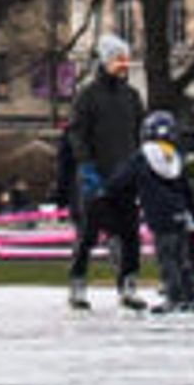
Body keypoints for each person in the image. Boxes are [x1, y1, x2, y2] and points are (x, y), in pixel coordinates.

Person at [61, 37, 149, 310]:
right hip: (96, 174)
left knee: (130, 233)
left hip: (125, 176)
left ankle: (128, 283)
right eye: (117, 59)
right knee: (88, 232)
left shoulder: (131, 97)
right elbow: (76, 133)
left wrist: (140, 163)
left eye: (125, 59)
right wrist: (86, 165)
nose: (123, 65)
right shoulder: (87, 96)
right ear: (104, 61)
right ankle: (77, 283)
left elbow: (139, 132)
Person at [130, 112, 194, 312]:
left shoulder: (143, 156)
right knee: (182, 257)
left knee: (167, 258)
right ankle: (189, 296)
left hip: (159, 215)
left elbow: (126, 177)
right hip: (180, 214)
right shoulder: (174, 157)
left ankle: (173, 295)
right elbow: (186, 188)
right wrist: (193, 212)